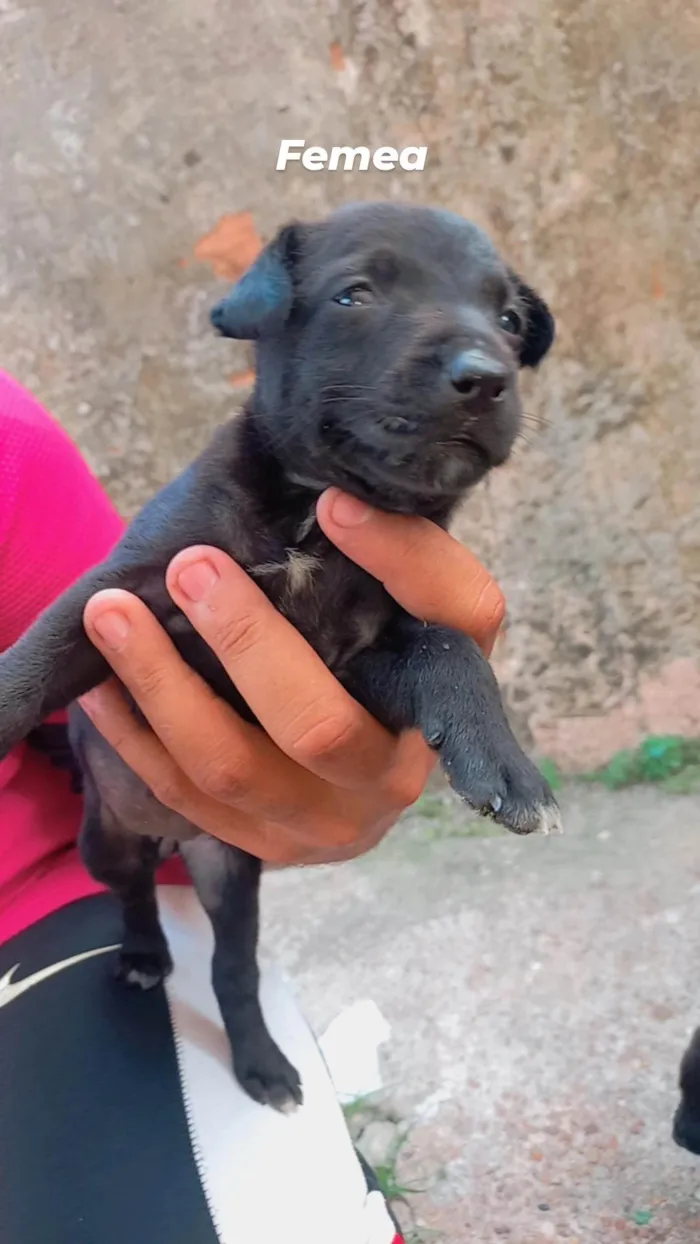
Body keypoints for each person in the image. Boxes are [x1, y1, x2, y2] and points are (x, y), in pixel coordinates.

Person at [0, 370, 505, 1244]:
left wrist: (297, 779)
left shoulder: (13, 451)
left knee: (202, 887)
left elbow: (110, 637)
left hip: (39, 892)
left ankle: (220, 1000)